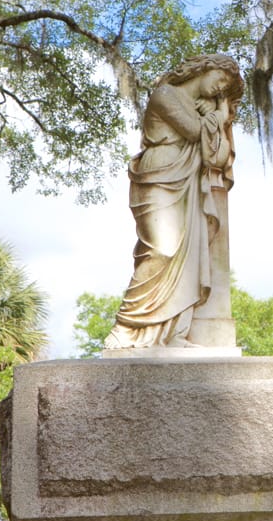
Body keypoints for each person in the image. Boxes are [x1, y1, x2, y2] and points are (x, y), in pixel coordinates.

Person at [104, 54, 244, 349]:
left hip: (188, 181)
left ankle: (173, 333)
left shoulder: (202, 109)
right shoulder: (165, 94)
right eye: (220, 79)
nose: (221, 89)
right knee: (161, 251)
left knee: (187, 258)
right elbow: (194, 131)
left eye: (226, 88)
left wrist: (216, 115)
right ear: (204, 69)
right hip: (159, 176)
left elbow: (216, 156)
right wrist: (217, 115)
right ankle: (126, 327)